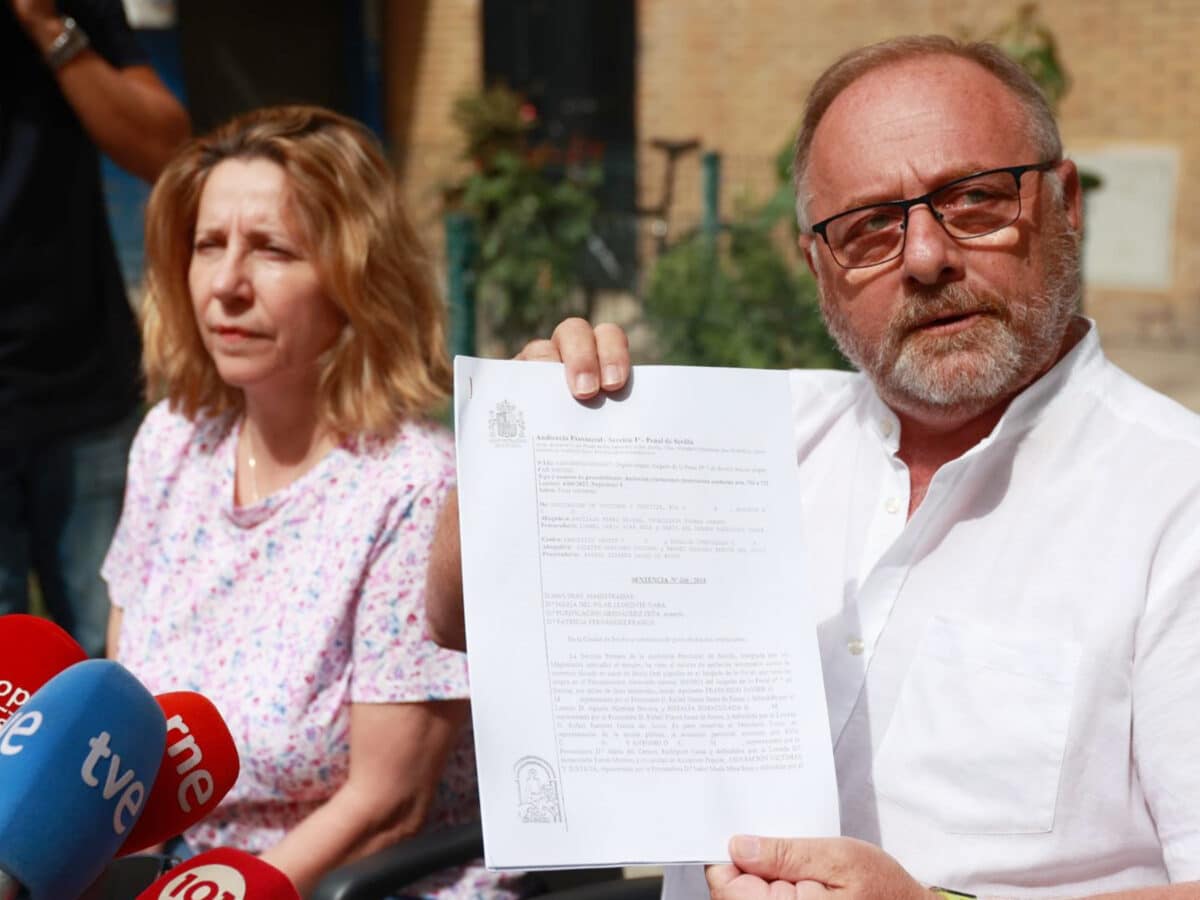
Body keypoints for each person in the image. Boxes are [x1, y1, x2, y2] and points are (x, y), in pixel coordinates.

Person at [425, 35, 1200, 899]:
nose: (925, 258)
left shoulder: (1175, 501)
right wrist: (520, 443)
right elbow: (463, 620)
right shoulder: (733, 447)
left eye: (975, 201)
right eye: (869, 228)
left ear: (1063, 203)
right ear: (818, 269)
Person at [102, 105, 524, 899]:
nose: (227, 284)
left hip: (343, 882)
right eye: (207, 246)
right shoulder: (170, 442)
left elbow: (386, 804)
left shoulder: (412, 487)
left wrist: (224, 894)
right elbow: (120, 701)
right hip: (169, 871)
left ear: (353, 277)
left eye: (271, 250)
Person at [0, 0, 189, 656]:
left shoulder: (60, 8)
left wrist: (48, 27)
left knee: (114, 668)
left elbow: (166, 147)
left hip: (81, 390)